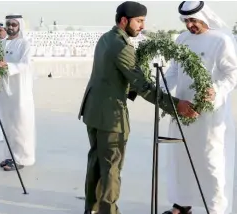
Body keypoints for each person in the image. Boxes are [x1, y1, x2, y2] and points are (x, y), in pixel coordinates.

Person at [78, 1, 200, 214]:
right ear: (124, 20)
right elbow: (143, 86)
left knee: (96, 163)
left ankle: (93, 209)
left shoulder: (107, 38)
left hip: (93, 111)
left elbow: (113, 77)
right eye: (139, 21)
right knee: (111, 168)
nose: (142, 26)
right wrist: (175, 106)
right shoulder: (122, 47)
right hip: (110, 116)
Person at [161, 1, 237, 214]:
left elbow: (232, 74)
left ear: (204, 16)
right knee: (182, 158)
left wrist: (215, 91)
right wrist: (160, 88)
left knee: (212, 161)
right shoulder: (182, 39)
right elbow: (174, 71)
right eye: (186, 20)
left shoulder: (221, 40)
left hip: (209, 114)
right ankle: (182, 205)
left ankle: (217, 209)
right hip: (183, 110)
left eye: (193, 20)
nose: (189, 25)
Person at [0, 14, 36, 171]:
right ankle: (9, 156)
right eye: (8, 24)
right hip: (5, 90)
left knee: (21, 124)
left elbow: (26, 65)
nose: (11, 27)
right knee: (8, 124)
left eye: (14, 24)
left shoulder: (25, 44)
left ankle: (22, 158)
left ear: (19, 26)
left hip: (20, 91)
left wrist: (8, 66)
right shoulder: (2, 44)